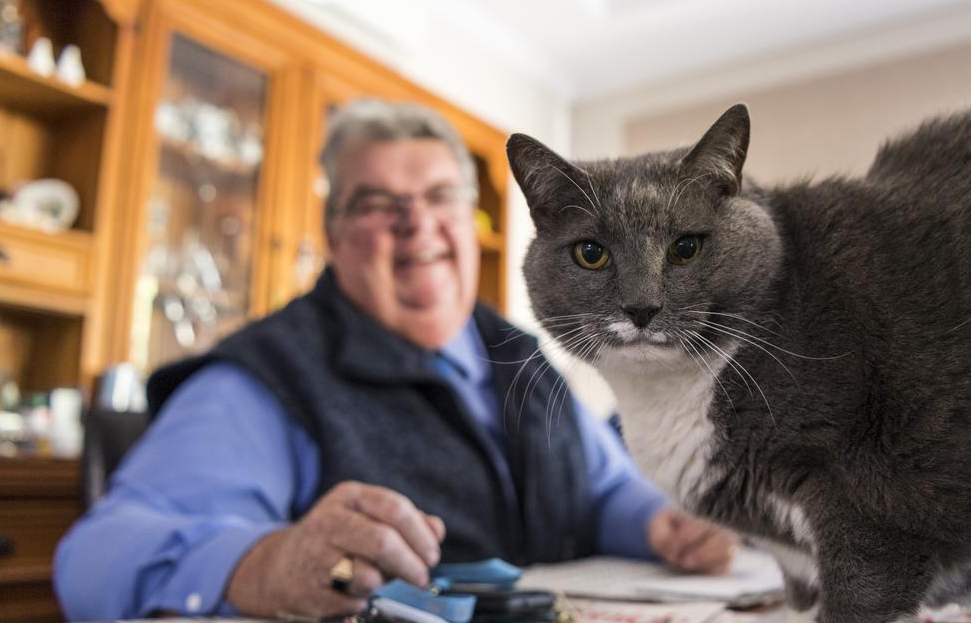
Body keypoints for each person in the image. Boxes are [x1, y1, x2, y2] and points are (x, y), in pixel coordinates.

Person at [53, 100, 738, 620]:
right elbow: (96, 554)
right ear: (334, 236)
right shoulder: (266, 376)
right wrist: (266, 565)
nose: (418, 224)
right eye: (379, 205)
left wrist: (663, 524)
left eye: (441, 198)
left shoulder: (521, 352)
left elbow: (603, 486)